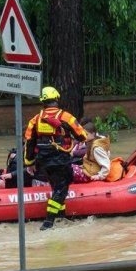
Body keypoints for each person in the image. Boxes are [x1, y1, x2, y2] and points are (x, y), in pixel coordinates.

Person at [24, 86, 87, 230]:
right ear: (57, 99)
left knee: (56, 187)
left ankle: (61, 216)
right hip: (61, 159)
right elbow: (82, 135)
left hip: (44, 161)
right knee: (61, 190)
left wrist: (29, 162)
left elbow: (29, 142)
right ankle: (48, 222)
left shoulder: (35, 120)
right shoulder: (66, 117)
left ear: (43, 102)